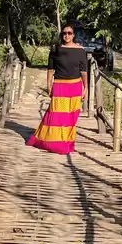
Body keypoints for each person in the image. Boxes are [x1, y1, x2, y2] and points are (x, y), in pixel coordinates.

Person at [26, 25, 88, 154]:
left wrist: (86, 87)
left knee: (71, 116)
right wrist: (49, 85)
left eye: (69, 33)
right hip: (60, 85)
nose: (67, 35)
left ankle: (67, 141)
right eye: (64, 33)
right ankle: (54, 142)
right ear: (62, 34)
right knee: (57, 115)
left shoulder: (81, 51)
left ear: (73, 35)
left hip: (75, 86)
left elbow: (83, 72)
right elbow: (50, 69)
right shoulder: (55, 50)